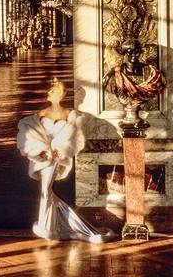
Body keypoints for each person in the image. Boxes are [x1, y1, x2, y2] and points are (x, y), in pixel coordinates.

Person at [17, 77, 114, 243]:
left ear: (60, 95)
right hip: (42, 158)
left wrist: (60, 149)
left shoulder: (70, 115)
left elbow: (74, 137)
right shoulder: (41, 114)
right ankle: (55, 227)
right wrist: (38, 150)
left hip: (56, 158)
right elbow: (28, 132)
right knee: (47, 192)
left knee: (46, 191)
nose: (48, 93)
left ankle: (47, 227)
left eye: (52, 91)